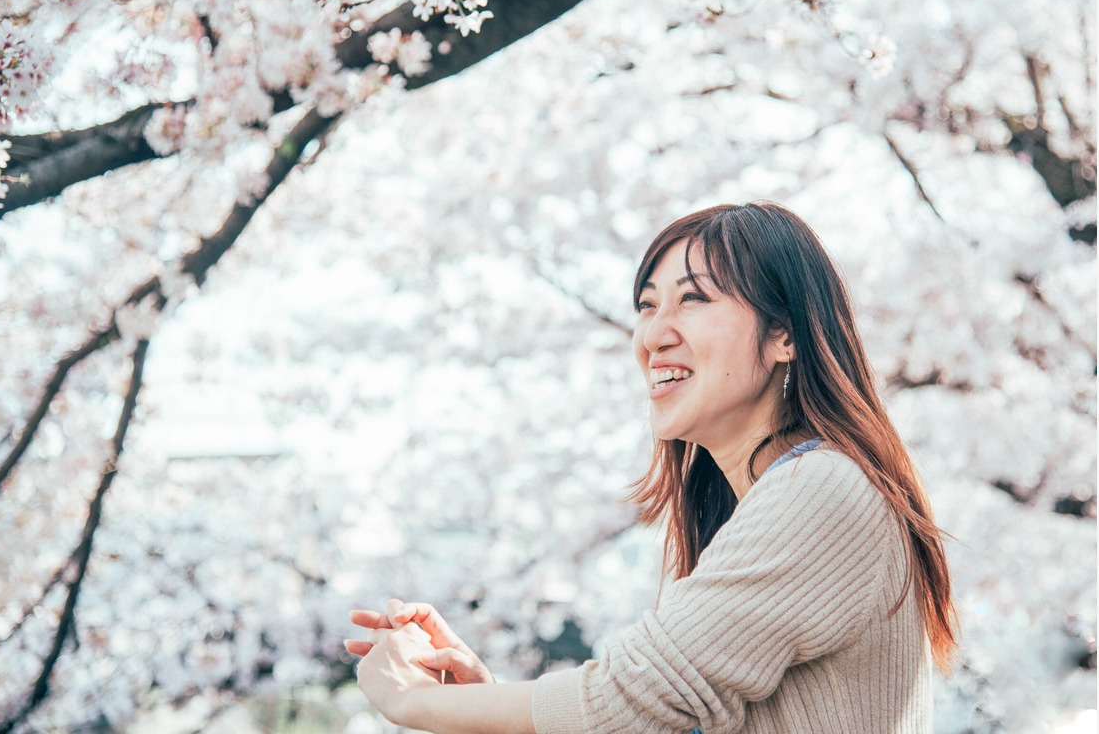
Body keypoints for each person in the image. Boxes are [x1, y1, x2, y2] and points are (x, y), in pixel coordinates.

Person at [345, 202, 958, 733]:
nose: (654, 335)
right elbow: (643, 714)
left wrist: (414, 701)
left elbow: (625, 704)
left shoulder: (823, 489)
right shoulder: (776, 497)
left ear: (784, 336)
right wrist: (479, 697)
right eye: (647, 305)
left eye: (693, 299)